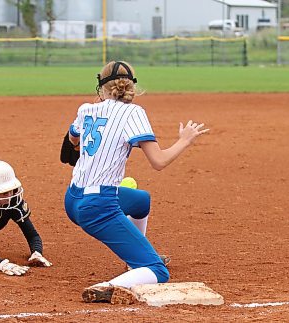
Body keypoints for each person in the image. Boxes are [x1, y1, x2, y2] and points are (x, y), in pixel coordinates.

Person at [63, 61, 209, 304]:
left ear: (102, 88)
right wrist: (185, 140)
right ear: (131, 87)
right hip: (98, 206)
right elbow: (158, 161)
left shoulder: (86, 109)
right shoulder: (134, 112)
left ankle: (133, 260)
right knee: (158, 271)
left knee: (141, 201)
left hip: (73, 199)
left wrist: (79, 145)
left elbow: (72, 139)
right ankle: (108, 286)